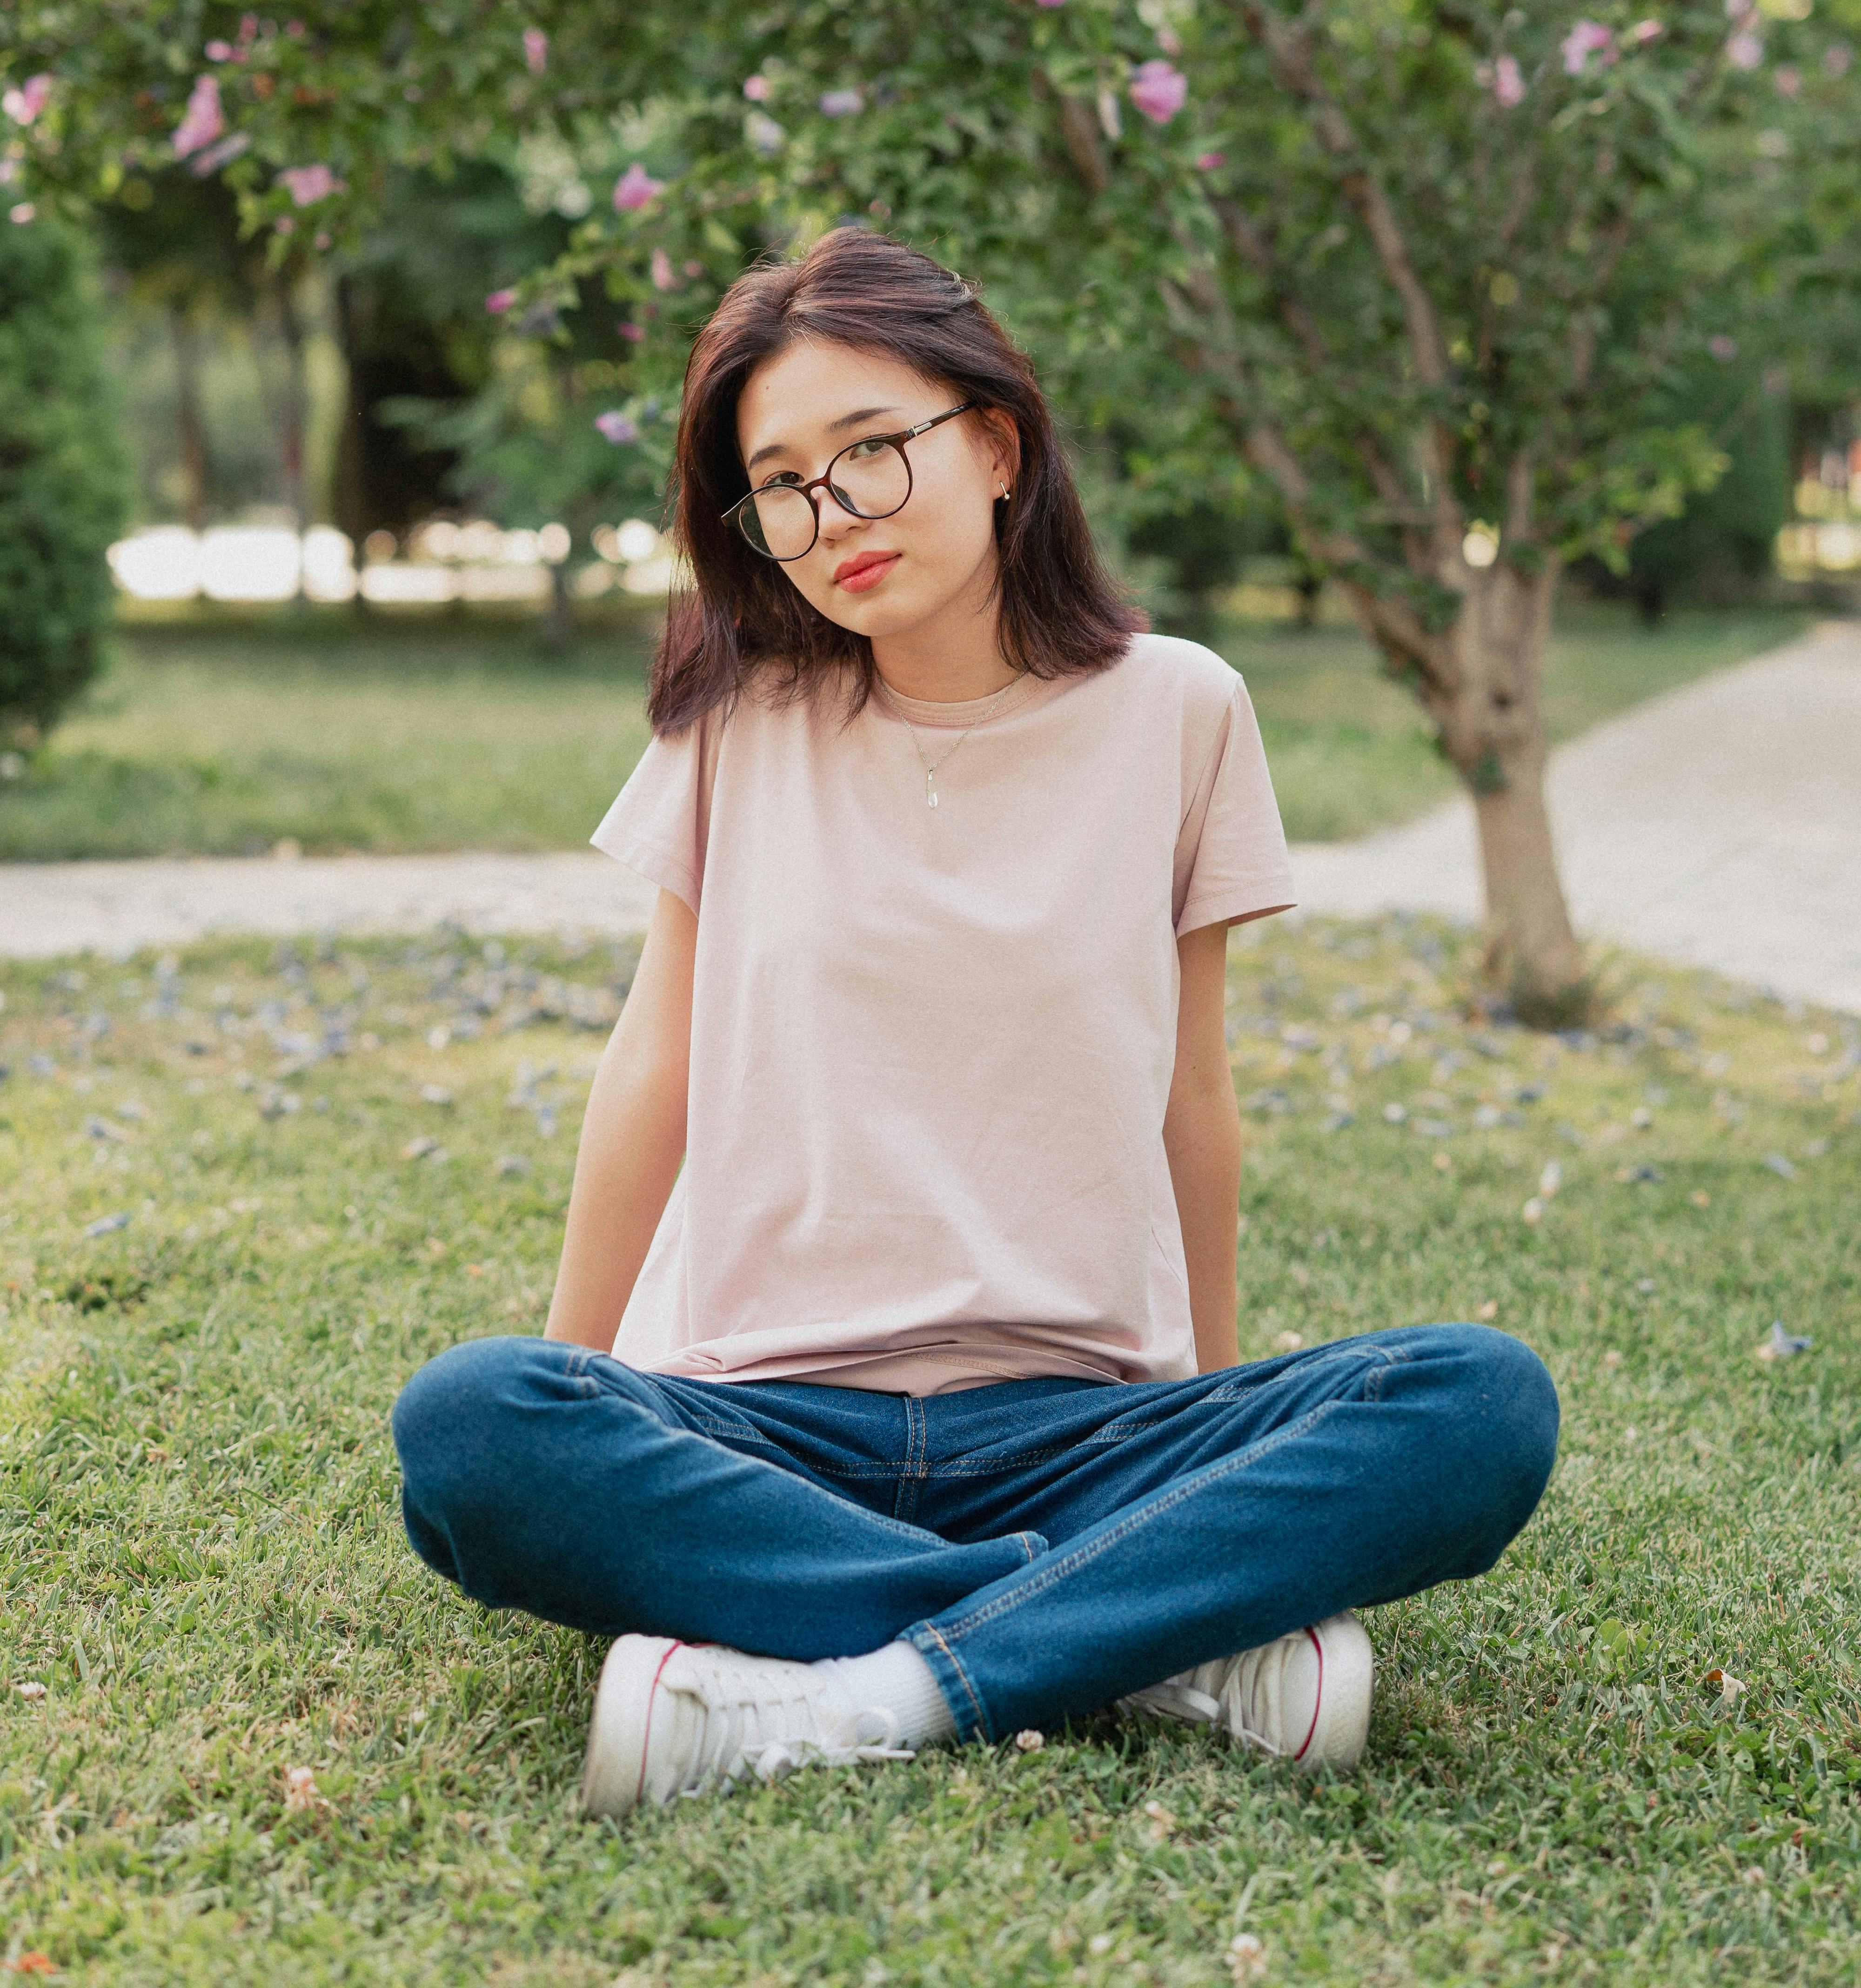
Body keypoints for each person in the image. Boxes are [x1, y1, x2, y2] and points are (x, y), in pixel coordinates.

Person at [392, 229, 1559, 1815]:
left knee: (1482, 1404)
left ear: (997, 443)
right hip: (762, 1416)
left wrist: (1202, 1442)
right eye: (784, 483)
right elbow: (651, 1063)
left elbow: (1190, 1099)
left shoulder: (1183, 710)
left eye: (871, 453)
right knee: (473, 1429)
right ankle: (1144, 1636)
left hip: (1079, 1418)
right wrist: (579, 1386)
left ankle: (851, 1678)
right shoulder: (738, 722)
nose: (832, 519)